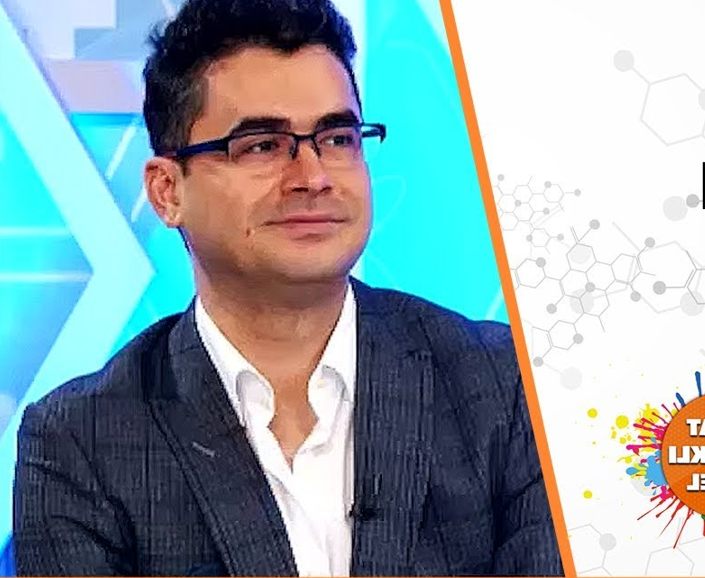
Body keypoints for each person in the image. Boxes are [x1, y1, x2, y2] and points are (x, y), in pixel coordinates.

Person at [13, 0, 563, 575]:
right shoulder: (80, 441)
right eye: (262, 146)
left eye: (338, 138)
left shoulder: (501, 383)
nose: (314, 177)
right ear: (167, 191)